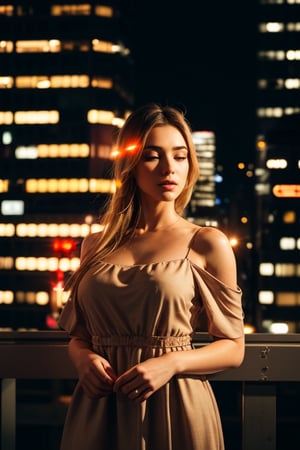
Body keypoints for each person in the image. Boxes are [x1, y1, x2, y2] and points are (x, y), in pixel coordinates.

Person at [58, 103, 245, 450]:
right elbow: (79, 336)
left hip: (176, 404)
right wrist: (82, 359)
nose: (169, 168)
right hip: (99, 406)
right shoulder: (95, 244)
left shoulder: (207, 243)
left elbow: (234, 348)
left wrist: (171, 363)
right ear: (130, 164)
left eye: (180, 156)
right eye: (152, 156)